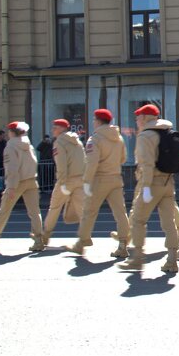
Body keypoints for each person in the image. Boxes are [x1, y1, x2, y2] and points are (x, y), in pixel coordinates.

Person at [119, 105, 179, 274]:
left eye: (139, 117)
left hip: (152, 183)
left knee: (138, 220)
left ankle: (137, 258)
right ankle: (172, 259)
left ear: (146, 118)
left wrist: (145, 187)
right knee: (169, 222)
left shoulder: (146, 136)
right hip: (168, 182)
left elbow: (147, 164)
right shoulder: (167, 132)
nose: (137, 120)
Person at [68, 109, 131, 259]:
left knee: (89, 212)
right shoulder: (118, 137)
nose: (93, 122)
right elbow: (123, 158)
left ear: (98, 121)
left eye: (94, 120)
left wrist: (87, 181)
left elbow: (91, 163)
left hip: (99, 179)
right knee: (120, 213)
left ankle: (82, 242)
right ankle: (123, 245)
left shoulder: (95, 139)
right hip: (115, 178)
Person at [0, 122, 45, 252]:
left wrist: (11, 186)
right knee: (35, 212)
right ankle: (38, 239)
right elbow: (34, 162)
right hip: (31, 180)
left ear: (12, 132)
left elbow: (12, 168)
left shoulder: (10, 146)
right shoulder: (28, 144)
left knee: (4, 210)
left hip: (17, 182)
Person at [41, 119, 85, 246]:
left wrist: (62, 182)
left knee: (54, 207)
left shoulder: (59, 142)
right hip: (80, 179)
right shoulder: (77, 141)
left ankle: (45, 235)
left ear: (61, 129)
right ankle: (84, 237)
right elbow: (84, 160)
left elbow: (61, 164)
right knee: (81, 210)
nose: (52, 130)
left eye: (55, 127)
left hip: (66, 180)